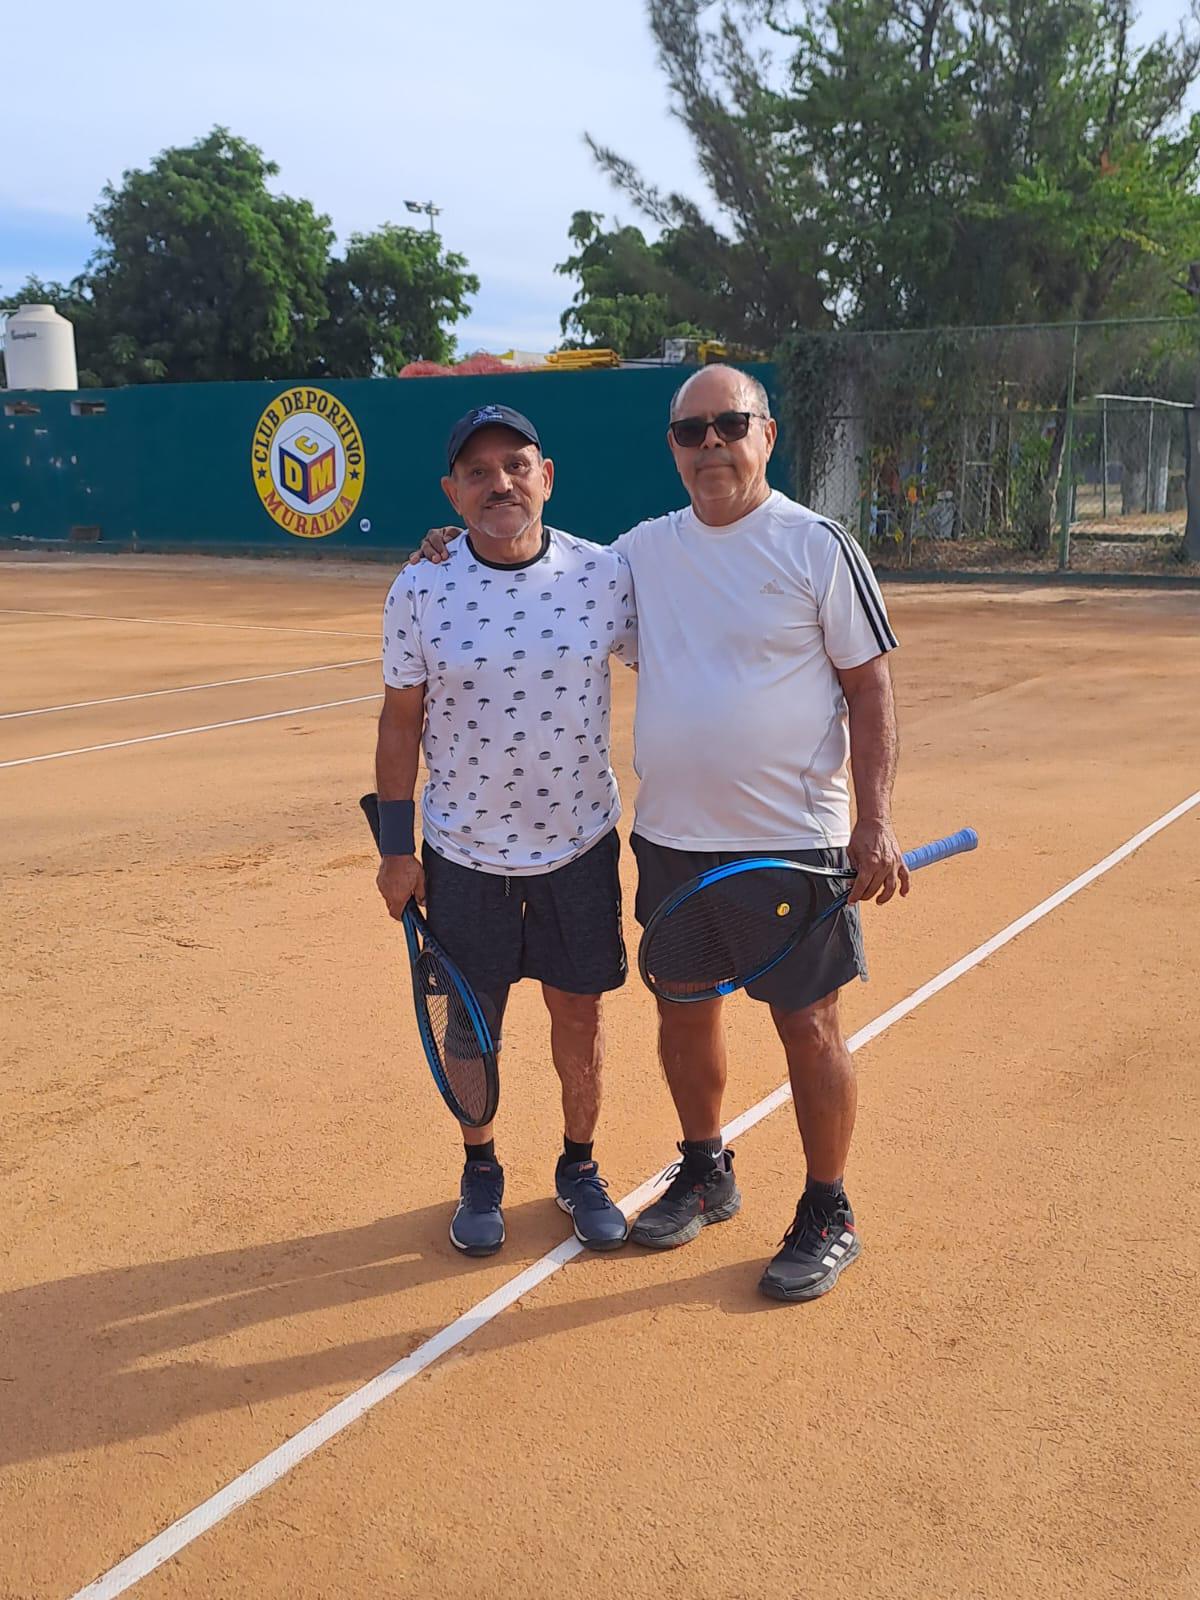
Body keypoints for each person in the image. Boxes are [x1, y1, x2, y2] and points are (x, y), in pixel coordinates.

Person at [416, 365, 906, 1302]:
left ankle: (828, 1208)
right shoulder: (638, 554)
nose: (712, 444)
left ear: (768, 433)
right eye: (692, 431)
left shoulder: (818, 545)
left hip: (793, 837)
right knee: (683, 1010)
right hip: (676, 837)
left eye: (731, 425)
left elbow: (871, 685)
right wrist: (452, 541)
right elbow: (532, 554)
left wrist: (874, 822)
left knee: (808, 1024)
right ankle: (704, 1166)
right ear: (674, 448)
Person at [374, 403, 637, 1257]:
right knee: (470, 1026)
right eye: (478, 473)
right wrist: (394, 849)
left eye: (516, 466)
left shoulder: (605, 577)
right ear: (452, 494)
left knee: (579, 1017)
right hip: (463, 855)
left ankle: (579, 1166)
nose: (500, 484)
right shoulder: (420, 585)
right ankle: (480, 1167)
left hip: (578, 844)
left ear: (547, 476)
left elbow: (687, 653)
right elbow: (399, 723)